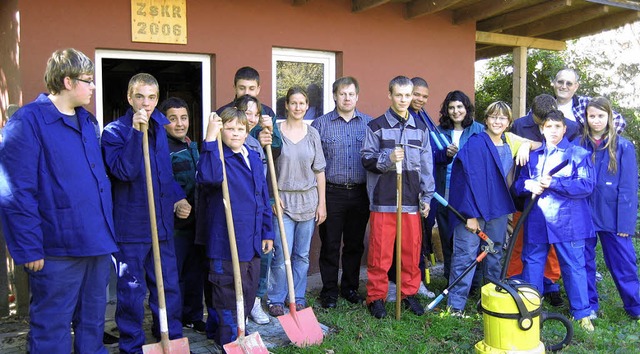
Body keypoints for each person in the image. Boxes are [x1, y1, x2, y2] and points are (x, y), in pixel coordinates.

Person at [0, 48, 118, 352]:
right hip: (57, 248)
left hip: (96, 242)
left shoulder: (88, 122)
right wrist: (28, 246)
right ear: (67, 81)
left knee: (93, 322)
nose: (93, 87)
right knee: (52, 326)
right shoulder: (28, 123)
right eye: (88, 81)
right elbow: (15, 191)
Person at [102, 73, 189, 352]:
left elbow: (163, 173)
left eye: (152, 97)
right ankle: (132, 345)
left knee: (168, 286)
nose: (147, 103)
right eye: (140, 96)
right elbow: (124, 171)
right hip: (131, 226)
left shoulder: (160, 128)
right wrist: (135, 133)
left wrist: (178, 198)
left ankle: (169, 336)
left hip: (161, 224)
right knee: (131, 290)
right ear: (130, 98)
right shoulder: (114, 132)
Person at [195, 108, 274, 346]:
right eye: (229, 128)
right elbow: (208, 178)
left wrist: (267, 231)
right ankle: (229, 341)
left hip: (251, 241)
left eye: (240, 128)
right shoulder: (216, 156)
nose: (235, 133)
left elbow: (263, 197)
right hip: (226, 243)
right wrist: (210, 139)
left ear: (247, 130)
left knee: (248, 293)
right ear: (221, 131)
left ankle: (216, 331)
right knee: (227, 296)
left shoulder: (251, 155)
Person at [514, 109, 596, 332]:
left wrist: (554, 183)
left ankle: (582, 313)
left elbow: (587, 186)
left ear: (564, 129)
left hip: (568, 222)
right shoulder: (533, 155)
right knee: (532, 263)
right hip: (537, 220)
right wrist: (528, 185)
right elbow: (518, 185)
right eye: (548, 126)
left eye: (557, 126)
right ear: (542, 129)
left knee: (573, 266)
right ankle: (531, 308)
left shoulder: (579, 154)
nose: (552, 130)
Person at [360, 76, 434, 319]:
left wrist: (427, 196)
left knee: (411, 252)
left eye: (407, 95)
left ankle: (409, 292)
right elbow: (366, 159)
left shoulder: (421, 129)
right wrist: (388, 159)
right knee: (380, 252)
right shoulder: (376, 126)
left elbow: (426, 165)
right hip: (384, 199)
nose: (403, 100)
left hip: (411, 200)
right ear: (390, 95)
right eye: (399, 95)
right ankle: (376, 297)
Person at [446, 102, 524, 315]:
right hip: (473, 211)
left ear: (508, 123)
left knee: (493, 254)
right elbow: (464, 181)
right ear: (486, 119)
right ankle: (456, 306)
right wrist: (469, 216)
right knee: (465, 256)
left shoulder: (509, 145)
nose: (497, 122)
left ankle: (489, 302)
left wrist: (525, 146)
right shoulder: (475, 144)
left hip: (497, 210)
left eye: (502, 118)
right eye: (493, 117)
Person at [508, 94, 577, 307]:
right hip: (526, 190)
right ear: (533, 115)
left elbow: (570, 154)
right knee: (521, 240)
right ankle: (514, 278)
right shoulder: (519, 125)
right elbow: (508, 144)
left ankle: (551, 282)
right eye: (540, 123)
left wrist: (532, 144)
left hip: (556, 196)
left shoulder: (572, 127)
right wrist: (521, 144)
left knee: (553, 246)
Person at [311, 76, 372, 309]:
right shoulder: (320, 125)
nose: (347, 98)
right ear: (334, 95)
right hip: (332, 193)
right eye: (342, 93)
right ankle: (329, 291)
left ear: (357, 96)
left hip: (360, 193)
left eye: (351, 94)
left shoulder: (369, 124)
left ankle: (349, 288)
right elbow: (314, 162)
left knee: (355, 244)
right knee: (330, 245)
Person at [577, 97, 640, 321]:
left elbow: (629, 187)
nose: (596, 120)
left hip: (613, 217)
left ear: (609, 117)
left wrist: (626, 223)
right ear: (586, 117)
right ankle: (589, 306)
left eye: (601, 116)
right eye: (592, 116)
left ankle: (635, 307)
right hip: (583, 214)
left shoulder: (623, 146)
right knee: (583, 263)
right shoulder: (578, 144)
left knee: (623, 263)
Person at [267, 86, 327, 316]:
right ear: (286, 105)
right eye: (293, 103)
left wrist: (322, 203)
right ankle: (276, 299)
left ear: (307, 105)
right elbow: (267, 168)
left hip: (308, 201)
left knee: (301, 255)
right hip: (283, 201)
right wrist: (272, 196)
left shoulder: (312, 134)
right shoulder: (275, 132)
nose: (298, 107)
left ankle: (297, 296)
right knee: (282, 255)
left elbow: (319, 171)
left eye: (302, 103)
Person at [159, 97, 206, 333]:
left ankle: (193, 315)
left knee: (194, 274)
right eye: (172, 118)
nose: (180, 124)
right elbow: (162, 182)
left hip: (195, 225)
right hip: (173, 227)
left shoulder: (190, 145)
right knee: (172, 279)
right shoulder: (160, 148)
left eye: (184, 118)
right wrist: (175, 202)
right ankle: (169, 325)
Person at [232, 94, 275, 325]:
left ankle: (254, 304)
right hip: (241, 215)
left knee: (261, 260)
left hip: (260, 211)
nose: (251, 118)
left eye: (255, 114)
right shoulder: (232, 141)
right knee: (242, 263)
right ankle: (241, 308)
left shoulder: (257, 143)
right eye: (246, 112)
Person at [434, 90, 484, 283]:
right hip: (445, 190)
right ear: (447, 110)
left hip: (470, 192)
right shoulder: (438, 131)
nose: (456, 111)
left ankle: (474, 281)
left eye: (460, 107)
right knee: (447, 236)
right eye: (452, 107)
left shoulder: (479, 130)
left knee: (471, 238)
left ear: (467, 108)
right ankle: (451, 278)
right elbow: (432, 160)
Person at [216, 66, 282, 149]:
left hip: (260, 161)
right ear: (235, 88)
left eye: (251, 89)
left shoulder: (267, 113)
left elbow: (277, 152)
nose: (246, 93)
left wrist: (271, 134)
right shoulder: (222, 113)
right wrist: (257, 143)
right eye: (242, 88)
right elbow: (215, 148)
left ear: (258, 89)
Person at [552, 68, 625, 134]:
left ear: (576, 87)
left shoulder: (585, 103)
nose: (564, 86)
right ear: (554, 83)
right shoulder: (547, 106)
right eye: (560, 82)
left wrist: (601, 142)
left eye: (569, 83)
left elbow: (619, 120)